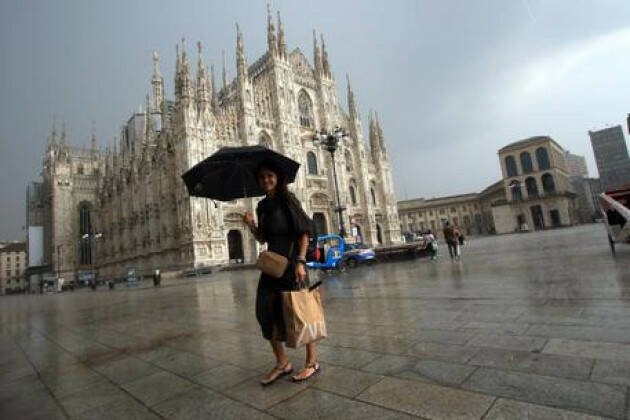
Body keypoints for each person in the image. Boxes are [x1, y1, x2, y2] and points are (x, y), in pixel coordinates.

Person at [243, 160, 320, 385]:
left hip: (292, 263)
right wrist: (250, 225)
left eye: (270, 176)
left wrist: (301, 262)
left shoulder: (288, 200)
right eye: (262, 177)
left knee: (300, 312)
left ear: (277, 177)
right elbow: (263, 238)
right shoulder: (262, 206)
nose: (266, 180)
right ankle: (282, 363)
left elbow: (304, 231)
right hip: (272, 266)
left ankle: (312, 362)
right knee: (264, 312)